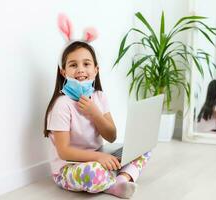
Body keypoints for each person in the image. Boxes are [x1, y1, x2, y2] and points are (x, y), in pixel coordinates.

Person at [43, 14, 150, 199]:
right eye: (73, 65)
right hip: (68, 167)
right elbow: (64, 151)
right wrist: (99, 158)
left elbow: (111, 135)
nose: (80, 70)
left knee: (142, 148)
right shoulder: (61, 105)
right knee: (94, 172)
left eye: (86, 64)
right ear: (63, 72)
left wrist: (95, 113)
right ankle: (114, 182)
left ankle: (121, 179)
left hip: (97, 155)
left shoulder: (99, 97)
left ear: (95, 69)